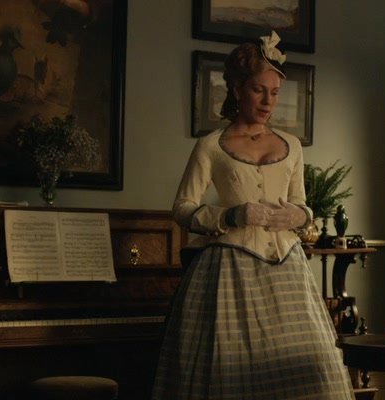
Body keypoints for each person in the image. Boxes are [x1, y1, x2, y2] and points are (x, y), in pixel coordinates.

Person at [151, 31, 355, 400]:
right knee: (231, 369)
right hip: (230, 268)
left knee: (300, 370)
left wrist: (298, 216)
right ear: (237, 89)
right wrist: (232, 215)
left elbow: (302, 204)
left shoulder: (292, 145)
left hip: (287, 267)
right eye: (259, 90)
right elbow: (182, 208)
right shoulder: (211, 146)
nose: (268, 101)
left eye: (274, 93)